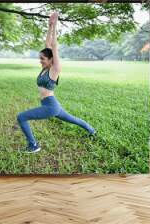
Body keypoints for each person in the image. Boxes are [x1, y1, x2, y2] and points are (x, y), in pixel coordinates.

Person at [17, 12, 96, 153]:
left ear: (51, 60)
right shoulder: (45, 68)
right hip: (52, 105)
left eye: (42, 59)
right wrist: (49, 25)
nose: (40, 61)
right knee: (74, 120)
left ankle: (33, 145)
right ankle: (92, 130)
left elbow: (53, 46)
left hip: (50, 106)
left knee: (21, 117)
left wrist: (55, 26)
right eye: (40, 58)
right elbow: (48, 45)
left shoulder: (55, 69)